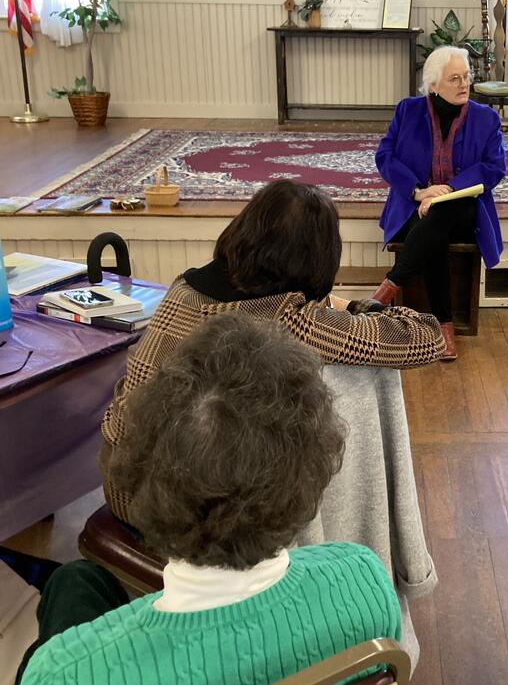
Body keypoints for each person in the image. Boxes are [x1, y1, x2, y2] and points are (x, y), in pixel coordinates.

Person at [17, 313, 402, 685]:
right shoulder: (366, 584)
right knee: (78, 580)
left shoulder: (60, 676)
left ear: (143, 473)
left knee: (75, 580)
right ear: (310, 474)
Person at [101, 179, 445, 524]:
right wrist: (347, 306)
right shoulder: (285, 316)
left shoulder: (186, 285)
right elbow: (426, 338)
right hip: (178, 519)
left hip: (121, 480)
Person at [372, 46, 506, 360]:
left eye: (467, 77)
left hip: (464, 207)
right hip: (413, 206)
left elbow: (494, 167)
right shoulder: (408, 110)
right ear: (433, 85)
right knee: (434, 231)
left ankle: (390, 286)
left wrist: (447, 190)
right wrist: (419, 192)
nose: (464, 84)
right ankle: (444, 326)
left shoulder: (486, 119)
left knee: (442, 212)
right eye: (454, 78)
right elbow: (385, 157)